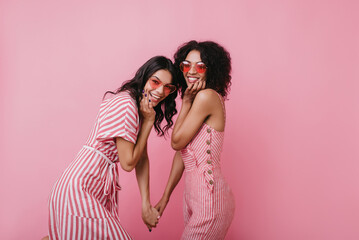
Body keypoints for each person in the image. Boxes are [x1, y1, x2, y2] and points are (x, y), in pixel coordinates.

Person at [46, 56, 178, 240]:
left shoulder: (138, 106)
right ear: (144, 77)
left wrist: (145, 205)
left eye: (168, 87)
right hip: (80, 190)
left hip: (90, 187)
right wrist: (148, 122)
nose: (160, 91)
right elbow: (128, 162)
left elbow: (141, 157)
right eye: (155, 82)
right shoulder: (127, 105)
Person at [155, 41, 235, 239]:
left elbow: (176, 142)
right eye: (185, 65)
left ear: (212, 70)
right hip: (194, 198)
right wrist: (165, 197)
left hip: (210, 201)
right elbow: (182, 154)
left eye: (200, 66)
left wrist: (187, 102)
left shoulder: (205, 97)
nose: (191, 71)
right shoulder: (198, 96)